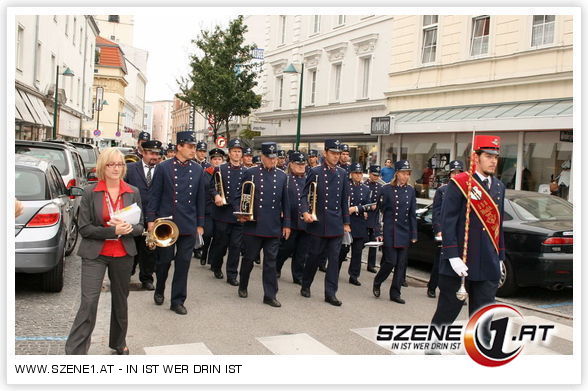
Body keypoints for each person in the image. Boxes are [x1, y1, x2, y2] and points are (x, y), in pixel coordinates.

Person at [65, 148, 144, 355]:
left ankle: (118, 342)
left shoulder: (132, 191)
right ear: (102, 167)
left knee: (120, 301)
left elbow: (140, 226)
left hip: (123, 253)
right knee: (89, 301)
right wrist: (112, 230)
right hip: (95, 254)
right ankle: (76, 350)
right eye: (111, 164)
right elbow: (84, 229)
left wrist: (129, 229)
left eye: (119, 164)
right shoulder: (91, 192)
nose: (116, 168)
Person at [430, 135, 506, 348]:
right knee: (448, 311)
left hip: (487, 263)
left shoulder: (499, 187)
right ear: (476, 157)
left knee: (483, 315)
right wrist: (452, 256)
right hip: (461, 262)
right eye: (488, 156)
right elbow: (448, 222)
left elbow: (499, 227)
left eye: (496, 157)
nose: (493, 161)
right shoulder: (460, 184)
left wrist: (499, 257)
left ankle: (482, 351)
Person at [145, 131, 206, 315]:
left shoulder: (198, 169)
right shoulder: (163, 167)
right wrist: (150, 220)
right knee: (164, 261)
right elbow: (154, 195)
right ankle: (160, 288)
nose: (193, 150)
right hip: (166, 223)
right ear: (179, 146)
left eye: (194, 147)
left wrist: (200, 224)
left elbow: (200, 199)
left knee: (183, 263)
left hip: (188, 224)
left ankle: (178, 300)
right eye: (190, 146)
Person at [236, 142, 291, 307]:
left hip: (273, 225)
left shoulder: (282, 176)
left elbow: (285, 202)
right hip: (254, 225)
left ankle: (270, 294)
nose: (273, 161)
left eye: (275, 158)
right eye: (269, 158)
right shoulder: (250, 173)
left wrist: (287, 224)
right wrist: (242, 213)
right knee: (249, 259)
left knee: (270, 261)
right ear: (262, 157)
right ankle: (243, 284)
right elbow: (240, 196)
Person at [300, 139, 351, 306]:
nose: (336, 157)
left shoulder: (343, 174)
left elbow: (344, 200)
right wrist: (305, 212)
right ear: (325, 153)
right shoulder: (315, 171)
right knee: (314, 257)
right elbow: (304, 195)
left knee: (334, 261)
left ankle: (331, 293)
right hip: (318, 223)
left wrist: (346, 222)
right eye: (333, 153)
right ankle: (306, 284)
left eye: (338, 154)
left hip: (336, 224)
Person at [373, 160, 417, 304]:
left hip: (404, 231)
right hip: (390, 230)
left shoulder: (410, 190)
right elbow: (379, 212)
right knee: (390, 261)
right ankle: (378, 281)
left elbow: (412, 214)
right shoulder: (386, 189)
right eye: (403, 173)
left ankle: (395, 293)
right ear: (397, 173)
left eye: (408, 174)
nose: (405, 176)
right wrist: (378, 231)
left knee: (401, 264)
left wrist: (414, 234)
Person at [125, 139, 163, 291]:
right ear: (142, 153)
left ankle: (147, 278)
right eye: (152, 153)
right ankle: (127, 273)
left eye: (157, 154)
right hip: (134, 215)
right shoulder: (130, 169)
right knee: (131, 246)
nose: (155, 157)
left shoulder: (163, 169)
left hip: (154, 216)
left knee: (150, 249)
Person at [208, 138, 246, 286]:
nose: (237, 154)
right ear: (229, 153)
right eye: (234, 151)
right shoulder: (220, 169)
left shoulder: (246, 171)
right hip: (223, 212)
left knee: (236, 246)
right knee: (221, 243)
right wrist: (216, 195)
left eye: (239, 151)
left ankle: (232, 274)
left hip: (238, 213)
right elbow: (211, 187)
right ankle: (216, 266)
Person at [427, 160, 464, 298]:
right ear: (449, 175)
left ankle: (459, 289)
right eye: (453, 172)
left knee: (460, 263)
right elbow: (436, 212)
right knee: (440, 262)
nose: (456, 175)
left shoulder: (466, 191)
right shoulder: (442, 190)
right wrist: (438, 229)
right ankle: (432, 286)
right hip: (445, 231)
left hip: (458, 233)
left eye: (459, 172)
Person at [276, 151, 308, 285]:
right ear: (291, 164)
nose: (301, 166)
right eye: (297, 164)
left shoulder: (308, 180)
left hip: (305, 220)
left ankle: (298, 275)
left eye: (303, 164)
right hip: (290, 218)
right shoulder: (286, 178)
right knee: (287, 247)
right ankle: (276, 267)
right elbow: (278, 197)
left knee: (302, 250)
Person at [338, 162, 371, 286]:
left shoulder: (366, 189)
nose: (358, 175)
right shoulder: (345, 186)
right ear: (351, 174)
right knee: (343, 250)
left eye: (360, 173)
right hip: (347, 221)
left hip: (359, 222)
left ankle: (354, 275)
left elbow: (368, 206)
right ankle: (335, 271)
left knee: (357, 252)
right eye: (356, 173)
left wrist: (356, 208)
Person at [199, 148, 226, 266]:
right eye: (215, 159)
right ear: (210, 160)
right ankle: (204, 252)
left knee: (218, 235)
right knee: (208, 234)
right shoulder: (207, 172)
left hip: (221, 208)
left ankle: (211, 258)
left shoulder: (225, 172)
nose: (217, 161)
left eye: (219, 159)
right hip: (208, 208)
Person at [365, 165, 384, 273]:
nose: (376, 177)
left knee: (373, 242)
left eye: (377, 175)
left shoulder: (380, 187)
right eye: (374, 175)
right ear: (370, 174)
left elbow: (381, 202)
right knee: (362, 241)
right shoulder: (365, 185)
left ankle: (371, 264)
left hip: (374, 217)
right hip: (365, 216)